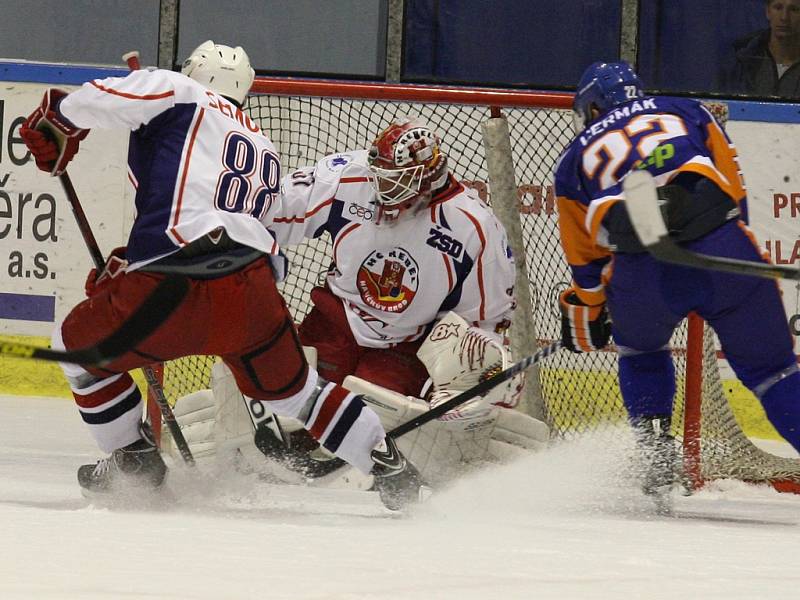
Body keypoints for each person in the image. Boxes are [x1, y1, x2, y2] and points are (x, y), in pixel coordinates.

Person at [19, 40, 423, 511]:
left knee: (74, 353)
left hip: (171, 288)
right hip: (253, 295)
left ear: (192, 71)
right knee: (299, 394)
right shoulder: (261, 144)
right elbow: (221, 218)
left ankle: (133, 457)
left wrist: (59, 116)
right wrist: (132, 263)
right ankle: (391, 469)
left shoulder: (179, 90)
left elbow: (107, 96)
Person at [169, 116, 549, 485]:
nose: (383, 190)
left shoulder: (475, 228)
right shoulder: (349, 176)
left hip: (402, 349)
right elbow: (276, 212)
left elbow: (486, 323)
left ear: (426, 177)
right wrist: (212, 234)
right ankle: (240, 450)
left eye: (395, 182)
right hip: (334, 324)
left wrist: (479, 381)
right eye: (379, 177)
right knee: (279, 391)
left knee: (371, 430)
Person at [554, 61, 800, 497]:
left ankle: (656, 460)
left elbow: (585, 259)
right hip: (720, 246)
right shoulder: (686, 109)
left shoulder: (573, 159)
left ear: (591, 108)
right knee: (773, 374)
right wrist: (727, 238)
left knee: (641, 352)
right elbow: (733, 188)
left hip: (641, 270)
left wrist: (590, 308)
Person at [724, 0, 800, 96]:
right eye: (778, 8)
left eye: (794, 9)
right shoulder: (740, 58)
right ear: (768, 11)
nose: (784, 17)